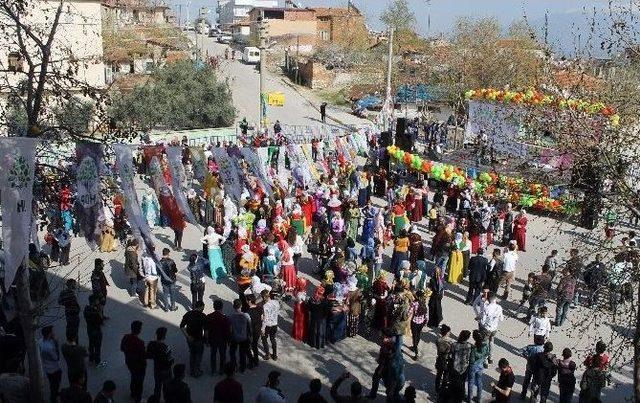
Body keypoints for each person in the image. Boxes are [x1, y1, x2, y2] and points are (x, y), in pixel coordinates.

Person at [120, 320, 146, 403]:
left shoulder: (126, 337)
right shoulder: (140, 342)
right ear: (139, 330)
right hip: (138, 364)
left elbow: (122, 348)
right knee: (139, 381)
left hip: (129, 362)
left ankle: (133, 393)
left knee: (134, 377)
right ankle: (138, 398)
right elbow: (143, 356)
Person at [180, 301, 207, 377]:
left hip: (190, 338)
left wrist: (187, 336)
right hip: (199, 338)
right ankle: (196, 370)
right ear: (201, 307)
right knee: (198, 355)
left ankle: (192, 370)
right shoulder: (203, 316)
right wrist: (205, 339)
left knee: (192, 354)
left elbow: (182, 326)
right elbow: (206, 330)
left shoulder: (188, 314)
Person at [146, 327, 174, 400]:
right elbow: (170, 360)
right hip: (165, 370)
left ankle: (156, 399)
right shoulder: (166, 348)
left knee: (157, 386)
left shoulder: (151, 344)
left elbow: (148, 355)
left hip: (157, 368)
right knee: (166, 387)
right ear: (164, 336)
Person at [206, 299, 231, 375]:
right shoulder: (225, 318)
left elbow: (206, 330)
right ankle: (221, 369)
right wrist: (229, 341)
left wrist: (206, 340)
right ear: (222, 307)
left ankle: (213, 370)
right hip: (222, 340)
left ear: (213, 307)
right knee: (222, 355)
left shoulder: (209, 316)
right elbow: (228, 331)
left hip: (212, 339)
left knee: (213, 354)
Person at [478, 292, 504, 364]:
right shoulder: (499, 307)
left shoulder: (487, 308)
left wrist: (480, 322)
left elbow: (483, 321)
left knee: (485, 343)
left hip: (487, 328)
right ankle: (491, 357)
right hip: (494, 328)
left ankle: (485, 360)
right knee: (491, 342)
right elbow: (501, 319)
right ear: (495, 299)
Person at [39, 326, 62, 403]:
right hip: (54, 368)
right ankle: (53, 398)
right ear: (49, 334)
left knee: (52, 383)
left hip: (47, 367)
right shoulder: (49, 347)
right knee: (55, 384)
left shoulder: (40, 342)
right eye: (52, 332)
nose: (53, 333)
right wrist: (56, 344)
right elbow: (56, 358)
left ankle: (54, 394)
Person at [448, 330, 473, 402]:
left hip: (455, 367)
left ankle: (453, 395)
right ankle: (461, 395)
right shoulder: (469, 346)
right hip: (464, 367)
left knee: (454, 382)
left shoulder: (454, 345)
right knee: (462, 382)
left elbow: (451, 355)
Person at [229, 299, 252, 373]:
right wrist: (250, 336)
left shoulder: (231, 317)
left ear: (233, 307)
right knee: (242, 353)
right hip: (244, 337)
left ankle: (234, 366)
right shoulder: (246, 316)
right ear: (241, 306)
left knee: (232, 353)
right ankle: (242, 367)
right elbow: (249, 327)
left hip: (234, 337)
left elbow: (230, 329)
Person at [83, 293, 105, 367]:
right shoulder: (95, 311)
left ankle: (91, 359)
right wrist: (100, 312)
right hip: (96, 330)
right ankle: (97, 362)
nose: (98, 302)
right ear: (94, 301)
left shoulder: (86, 309)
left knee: (91, 344)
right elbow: (100, 321)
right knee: (97, 347)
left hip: (89, 329)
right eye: (97, 301)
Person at [467, 330, 490, 402]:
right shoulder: (486, 345)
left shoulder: (474, 348)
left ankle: (469, 398)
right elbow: (487, 353)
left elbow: (471, 359)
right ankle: (479, 398)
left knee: (471, 382)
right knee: (479, 382)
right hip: (480, 365)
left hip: (473, 365)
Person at [409, 290, 428, 360]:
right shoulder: (423, 302)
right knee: (418, 334)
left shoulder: (414, 303)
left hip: (414, 322)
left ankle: (416, 351)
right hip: (421, 322)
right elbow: (426, 313)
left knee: (414, 336)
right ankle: (414, 346)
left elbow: (409, 312)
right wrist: (425, 321)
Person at [246, 294, 264, 368]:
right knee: (255, 346)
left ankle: (251, 361)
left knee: (247, 347)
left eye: (247, 300)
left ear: (250, 301)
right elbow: (262, 318)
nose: (246, 301)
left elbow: (247, 323)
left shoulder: (248, 311)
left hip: (251, 331)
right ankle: (256, 361)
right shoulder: (260, 308)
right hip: (258, 329)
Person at [261, 290, 280, 361]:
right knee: (273, 339)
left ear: (263, 297)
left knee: (264, 338)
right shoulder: (276, 302)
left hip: (268, 325)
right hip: (275, 323)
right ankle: (274, 355)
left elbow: (265, 319)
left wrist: (262, 329)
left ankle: (267, 354)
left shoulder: (265, 306)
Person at [434, 324, 452, 395]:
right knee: (445, 376)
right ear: (447, 333)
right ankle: (443, 390)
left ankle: (437, 390)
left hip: (440, 359)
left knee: (438, 375)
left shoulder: (438, 340)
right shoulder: (450, 342)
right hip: (447, 360)